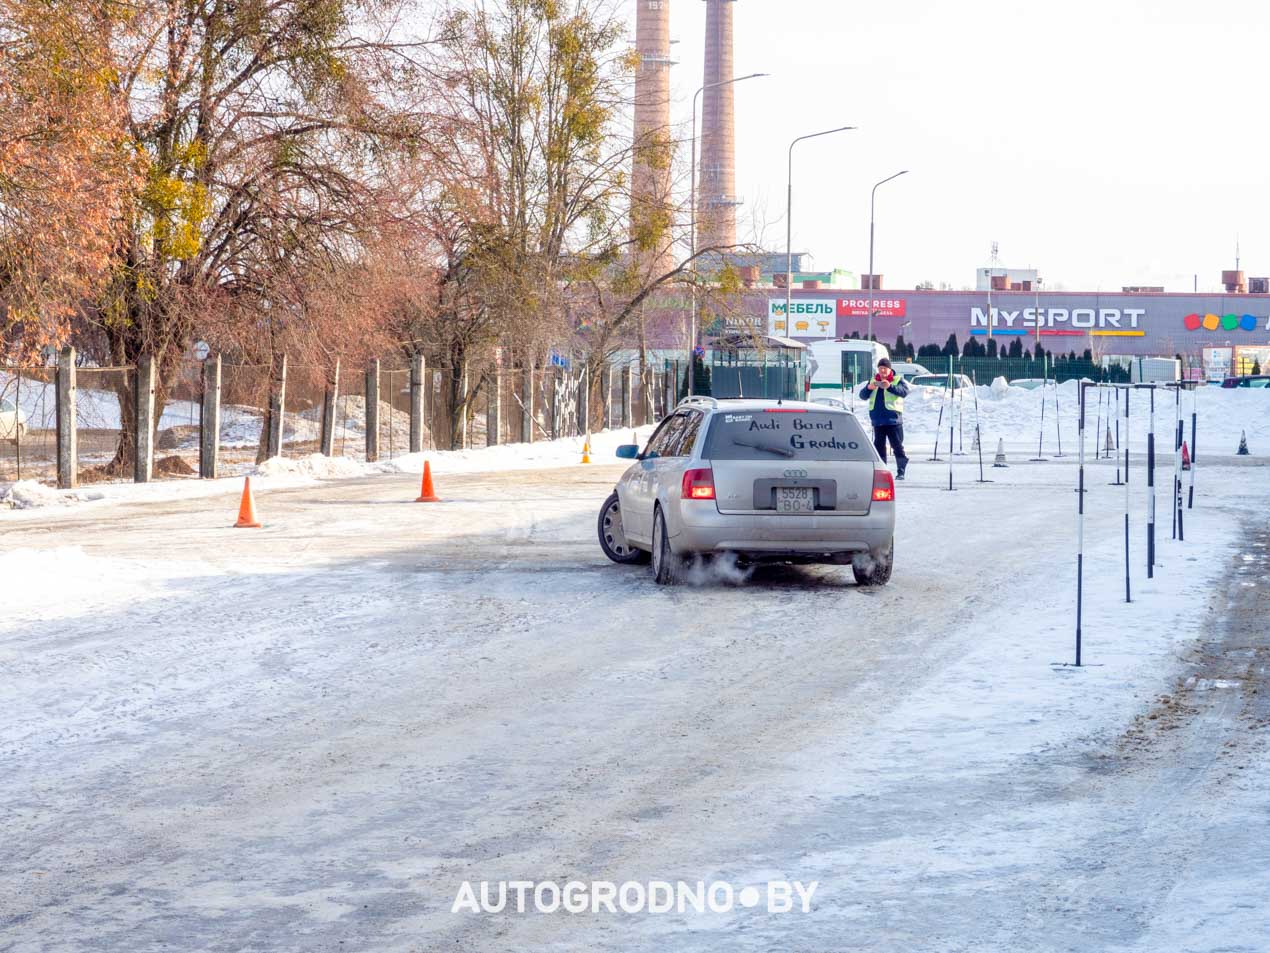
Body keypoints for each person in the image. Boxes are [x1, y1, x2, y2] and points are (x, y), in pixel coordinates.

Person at [858, 357, 910, 479]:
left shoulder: (897, 379)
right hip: (878, 421)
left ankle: (901, 470)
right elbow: (863, 395)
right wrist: (868, 388)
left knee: (897, 446)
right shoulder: (873, 380)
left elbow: (904, 392)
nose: (882, 371)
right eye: (880, 369)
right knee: (879, 447)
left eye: (884, 369)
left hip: (893, 420)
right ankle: (883, 471)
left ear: (889, 369)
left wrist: (889, 386)